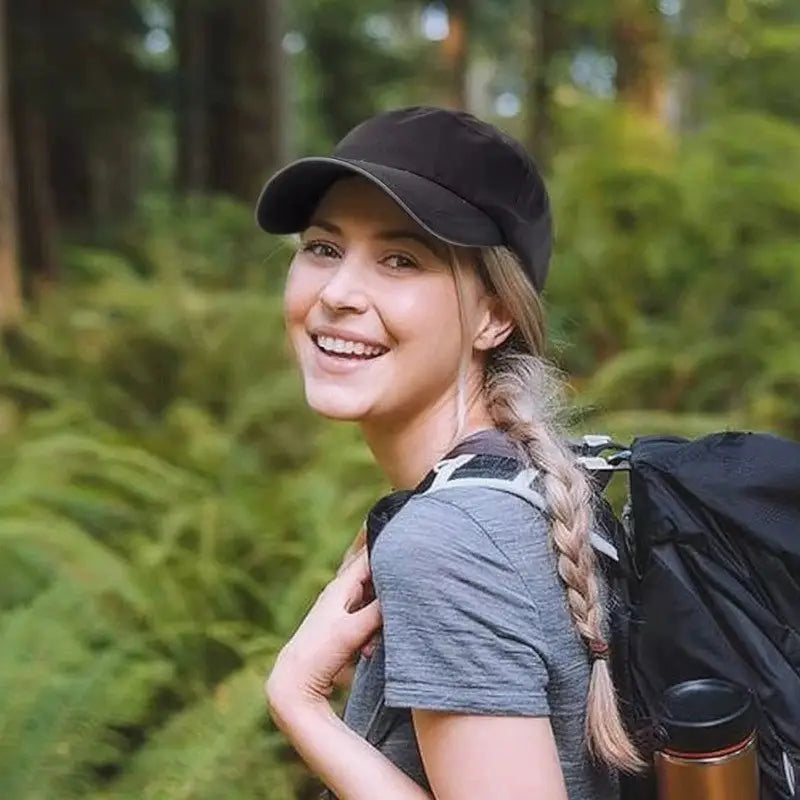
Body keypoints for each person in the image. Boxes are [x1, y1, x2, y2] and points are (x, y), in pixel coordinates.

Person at [258, 106, 642, 800]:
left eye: (401, 259)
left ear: (494, 315)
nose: (339, 293)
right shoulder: (520, 486)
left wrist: (300, 706)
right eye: (322, 247)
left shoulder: (449, 542)